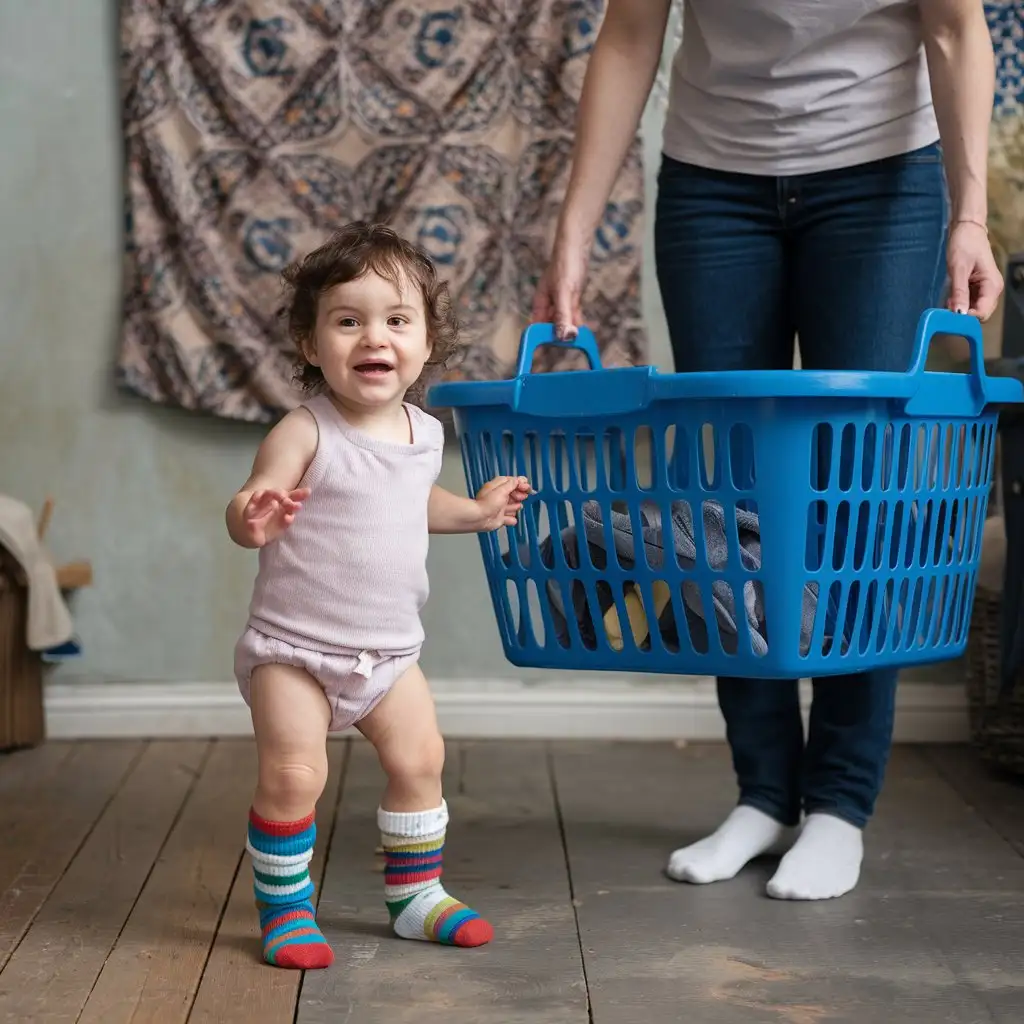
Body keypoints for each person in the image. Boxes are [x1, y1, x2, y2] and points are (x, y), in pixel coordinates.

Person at [534, 0, 1005, 901]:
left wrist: (969, 214)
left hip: (883, 176)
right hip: (713, 183)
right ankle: (763, 793)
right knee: (723, 494)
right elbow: (631, 34)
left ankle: (837, 805)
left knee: (855, 493)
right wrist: (574, 231)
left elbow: (953, 30)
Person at [226, 223, 531, 968]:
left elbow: (409, 504)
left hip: (389, 654)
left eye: (397, 320)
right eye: (348, 320)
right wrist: (254, 516)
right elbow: (251, 503)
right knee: (296, 773)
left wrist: (477, 512)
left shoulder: (423, 434)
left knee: (421, 758)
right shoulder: (304, 432)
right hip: (294, 651)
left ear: (426, 344)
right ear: (310, 344)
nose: (375, 337)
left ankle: (415, 898)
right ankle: (287, 909)